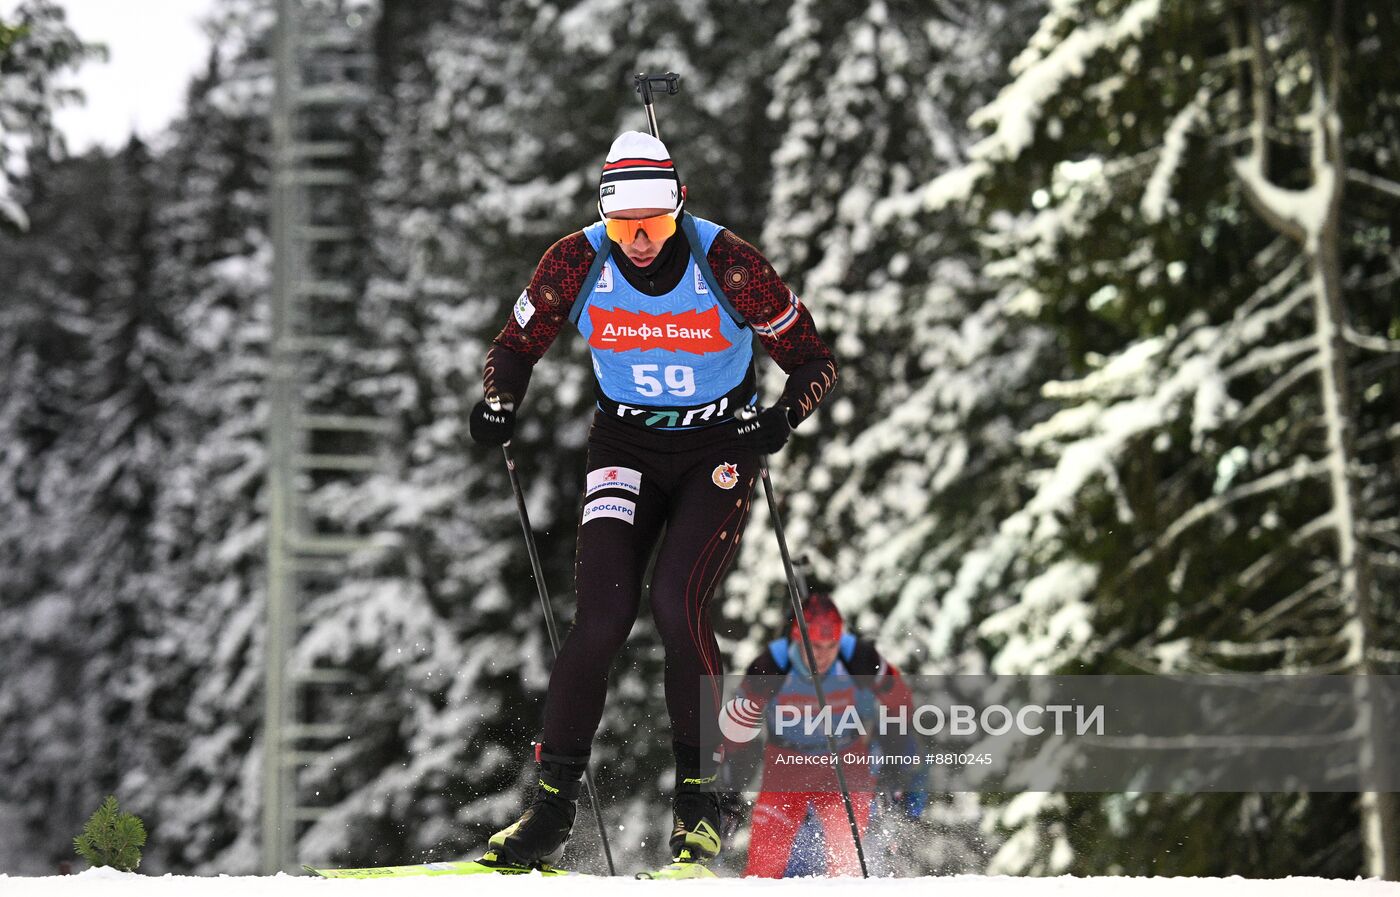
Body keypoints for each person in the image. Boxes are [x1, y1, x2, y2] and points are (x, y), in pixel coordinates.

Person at [468, 130, 838, 870]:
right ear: (603, 213)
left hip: (717, 451)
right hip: (626, 448)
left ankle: (702, 798)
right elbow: (515, 345)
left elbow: (813, 361)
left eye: (656, 220)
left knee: (676, 599)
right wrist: (501, 400)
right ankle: (549, 810)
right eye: (623, 221)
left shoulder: (729, 264)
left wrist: (780, 419)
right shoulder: (576, 260)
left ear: (680, 205)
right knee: (601, 615)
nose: (639, 239)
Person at [720, 591, 925, 877]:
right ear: (797, 637)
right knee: (762, 869)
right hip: (786, 765)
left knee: (845, 864)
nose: (824, 654)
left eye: (831, 645)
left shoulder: (859, 657)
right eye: (815, 646)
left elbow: (900, 702)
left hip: (845, 763)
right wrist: (730, 790)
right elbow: (738, 730)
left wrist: (895, 765)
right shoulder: (772, 665)